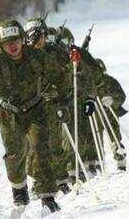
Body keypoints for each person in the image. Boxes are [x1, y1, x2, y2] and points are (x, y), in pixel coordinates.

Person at [0, 19, 68, 212]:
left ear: (22, 39)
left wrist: (61, 102)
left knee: (40, 149)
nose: (12, 45)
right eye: (6, 43)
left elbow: (61, 77)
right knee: (14, 154)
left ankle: (47, 195)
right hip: (8, 113)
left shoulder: (38, 57)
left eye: (15, 40)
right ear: (1, 45)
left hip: (36, 109)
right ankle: (19, 189)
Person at [24, 18, 71, 194]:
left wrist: (63, 100)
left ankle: (60, 179)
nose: (37, 40)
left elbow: (64, 75)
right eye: (32, 36)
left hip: (52, 104)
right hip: (30, 107)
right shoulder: (24, 55)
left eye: (40, 35)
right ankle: (39, 180)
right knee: (34, 148)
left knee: (54, 144)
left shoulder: (54, 52)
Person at [55, 26, 105, 179]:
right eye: (62, 41)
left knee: (84, 132)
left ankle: (86, 164)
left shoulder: (80, 54)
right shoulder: (53, 55)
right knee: (66, 135)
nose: (65, 45)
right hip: (63, 99)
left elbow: (94, 74)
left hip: (81, 97)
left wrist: (91, 96)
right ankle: (70, 169)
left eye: (68, 41)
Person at [94, 58, 128, 170]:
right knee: (94, 140)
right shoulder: (88, 83)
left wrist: (112, 101)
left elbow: (121, 96)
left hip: (110, 115)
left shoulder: (110, 81)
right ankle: (96, 164)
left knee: (115, 139)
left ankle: (121, 161)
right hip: (95, 116)